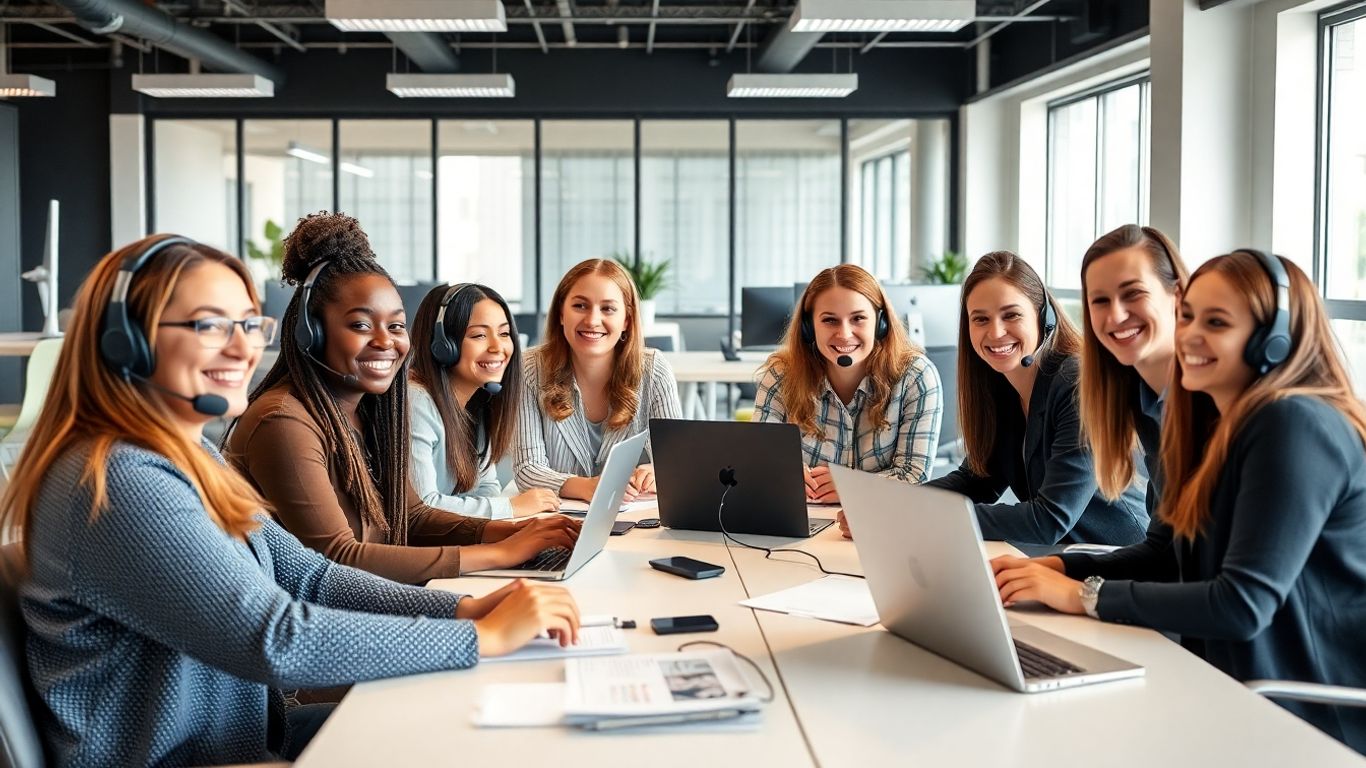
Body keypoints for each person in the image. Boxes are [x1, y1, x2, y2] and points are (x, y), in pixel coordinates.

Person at [1, 235, 581, 766]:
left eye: (250, 325)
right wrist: (480, 637)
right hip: (185, 760)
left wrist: (461, 610)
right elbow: (276, 638)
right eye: (209, 326)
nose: (241, 348)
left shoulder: (190, 459)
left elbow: (311, 578)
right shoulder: (117, 480)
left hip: (245, 741)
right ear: (124, 343)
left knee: (477, 730)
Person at [992, 250, 1366, 753]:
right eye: (1188, 316)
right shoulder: (1216, 425)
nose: (1189, 335)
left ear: (1274, 340)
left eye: (1216, 322)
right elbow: (1168, 555)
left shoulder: (1294, 424)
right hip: (1225, 689)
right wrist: (1059, 568)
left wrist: (1081, 596)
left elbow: (1240, 605)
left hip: (1302, 720)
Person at [227, 213, 578, 584]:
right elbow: (336, 561)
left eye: (395, 325)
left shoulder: (368, 410)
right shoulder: (283, 421)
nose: (385, 341)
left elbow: (411, 516)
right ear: (311, 332)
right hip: (333, 623)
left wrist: (512, 534)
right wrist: (498, 553)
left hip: (377, 599)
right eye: (361, 325)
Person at [907, 250, 1148, 546]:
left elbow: (1049, 519)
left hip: (1115, 559)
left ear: (1043, 316)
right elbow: (977, 480)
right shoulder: (1002, 386)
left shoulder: (1077, 384)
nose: (995, 332)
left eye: (1011, 315)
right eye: (980, 319)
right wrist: (897, 506)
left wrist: (928, 517)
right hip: (1061, 557)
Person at [754, 264, 942, 503]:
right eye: (830, 320)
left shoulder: (915, 377)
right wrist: (782, 475)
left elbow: (914, 476)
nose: (844, 334)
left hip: (876, 522)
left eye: (858, 319)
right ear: (809, 328)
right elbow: (759, 461)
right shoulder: (782, 375)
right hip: (804, 518)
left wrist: (852, 487)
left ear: (880, 323)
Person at [514, 258, 682, 501]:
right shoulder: (529, 370)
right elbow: (527, 470)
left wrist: (657, 472)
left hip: (639, 523)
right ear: (561, 313)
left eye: (608, 308)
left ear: (626, 320)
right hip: (559, 522)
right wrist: (586, 487)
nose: (592, 320)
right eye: (580, 306)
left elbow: (676, 460)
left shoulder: (654, 370)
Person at [1072, 224, 1189, 572]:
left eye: (1133, 293)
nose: (1116, 315)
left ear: (1178, 296)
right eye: (1100, 300)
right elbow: (1163, 548)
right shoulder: (1144, 402)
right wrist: (1060, 569)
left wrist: (1085, 594)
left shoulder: (1216, 404)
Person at [407, 282, 559, 519]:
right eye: (479, 335)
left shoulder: (478, 401)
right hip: (420, 550)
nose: (498, 347)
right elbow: (423, 507)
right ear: (443, 346)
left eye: (504, 333)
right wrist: (511, 508)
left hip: (456, 540)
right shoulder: (416, 402)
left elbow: (486, 488)